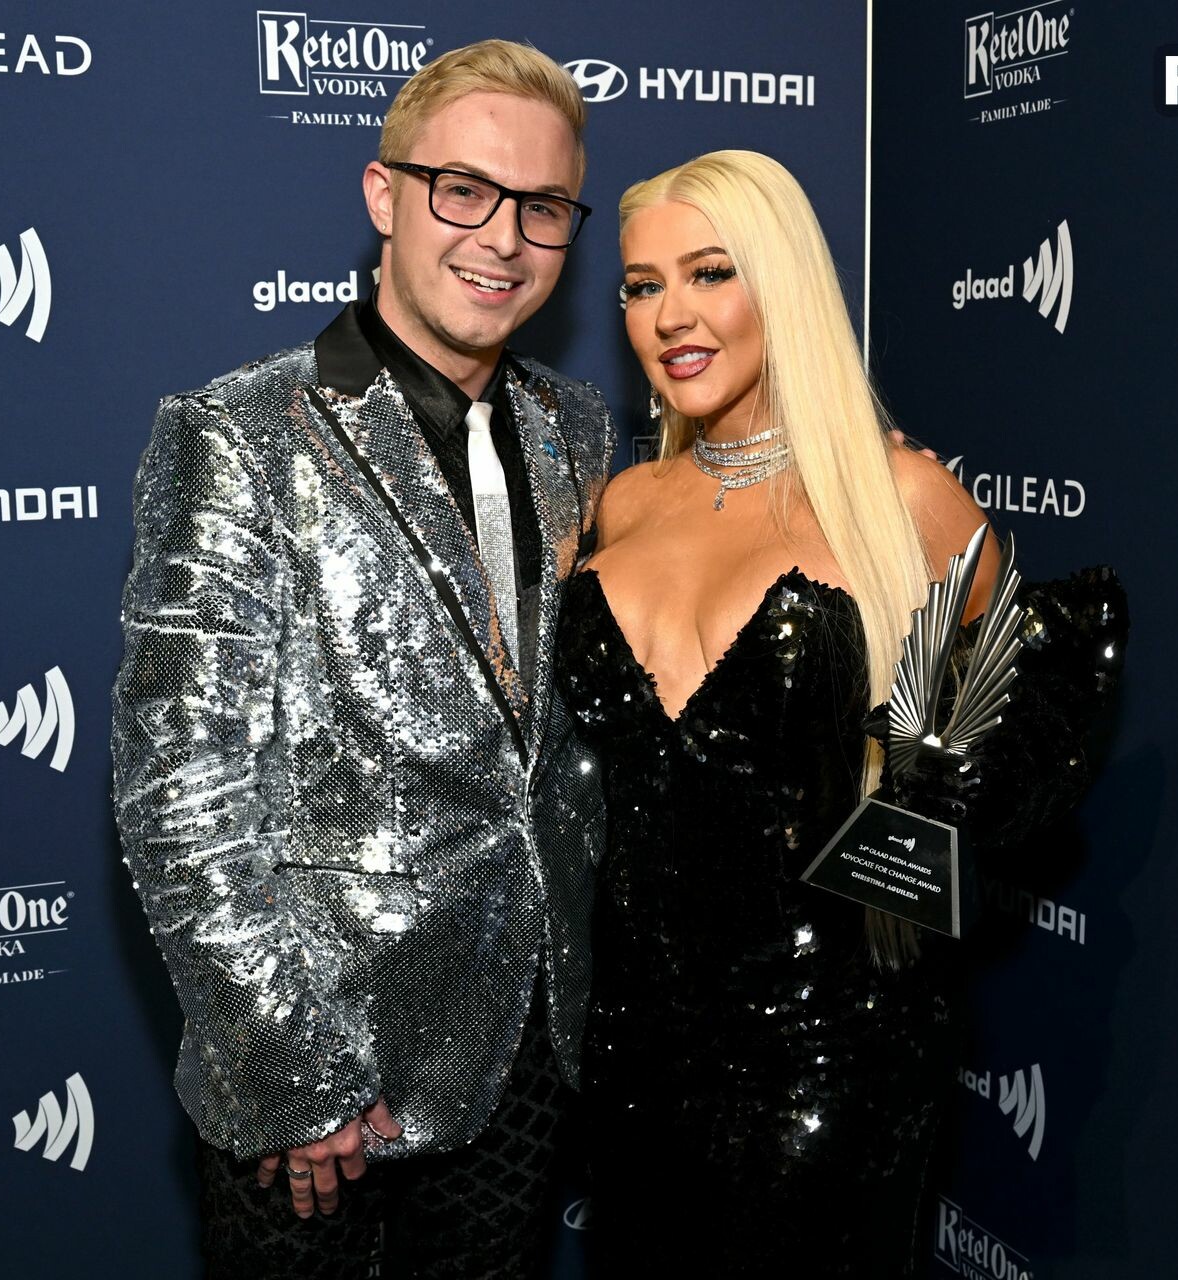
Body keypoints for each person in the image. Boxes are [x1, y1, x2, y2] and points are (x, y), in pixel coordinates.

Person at [552, 150, 1126, 1275]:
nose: (670, 316)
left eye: (711, 272)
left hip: (829, 1055)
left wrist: (955, 794)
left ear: (786, 285)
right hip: (632, 1051)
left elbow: (1022, 723)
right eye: (641, 285)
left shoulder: (898, 496)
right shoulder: (622, 502)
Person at [111, 41, 615, 1280]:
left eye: (544, 206)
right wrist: (292, 1068)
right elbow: (181, 787)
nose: (503, 238)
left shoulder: (582, 428)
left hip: (528, 1050)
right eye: (465, 190)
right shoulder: (242, 431)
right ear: (384, 194)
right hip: (324, 1081)